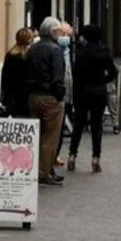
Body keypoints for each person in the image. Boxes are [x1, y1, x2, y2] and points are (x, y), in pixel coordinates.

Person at [67, 25, 117, 173]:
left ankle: (72, 155)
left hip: (82, 90)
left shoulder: (81, 53)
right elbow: (112, 72)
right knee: (97, 125)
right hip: (98, 90)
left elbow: (76, 75)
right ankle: (96, 157)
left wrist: (75, 94)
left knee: (79, 124)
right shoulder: (104, 51)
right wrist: (103, 80)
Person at [26, 16, 66, 186]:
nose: (60, 34)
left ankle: (32, 168)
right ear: (53, 32)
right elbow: (58, 76)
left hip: (33, 95)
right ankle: (44, 172)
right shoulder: (55, 50)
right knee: (50, 137)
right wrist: (59, 94)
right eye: (58, 31)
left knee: (35, 135)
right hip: (50, 96)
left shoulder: (32, 49)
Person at [1, 28, 34, 117]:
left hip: (11, 95)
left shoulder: (10, 54)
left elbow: (5, 78)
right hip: (24, 96)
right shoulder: (28, 56)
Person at [55, 22, 75, 167]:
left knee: (61, 128)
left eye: (68, 35)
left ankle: (55, 155)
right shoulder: (55, 50)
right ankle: (53, 156)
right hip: (58, 93)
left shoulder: (69, 50)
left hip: (68, 93)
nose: (66, 37)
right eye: (63, 34)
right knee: (57, 128)